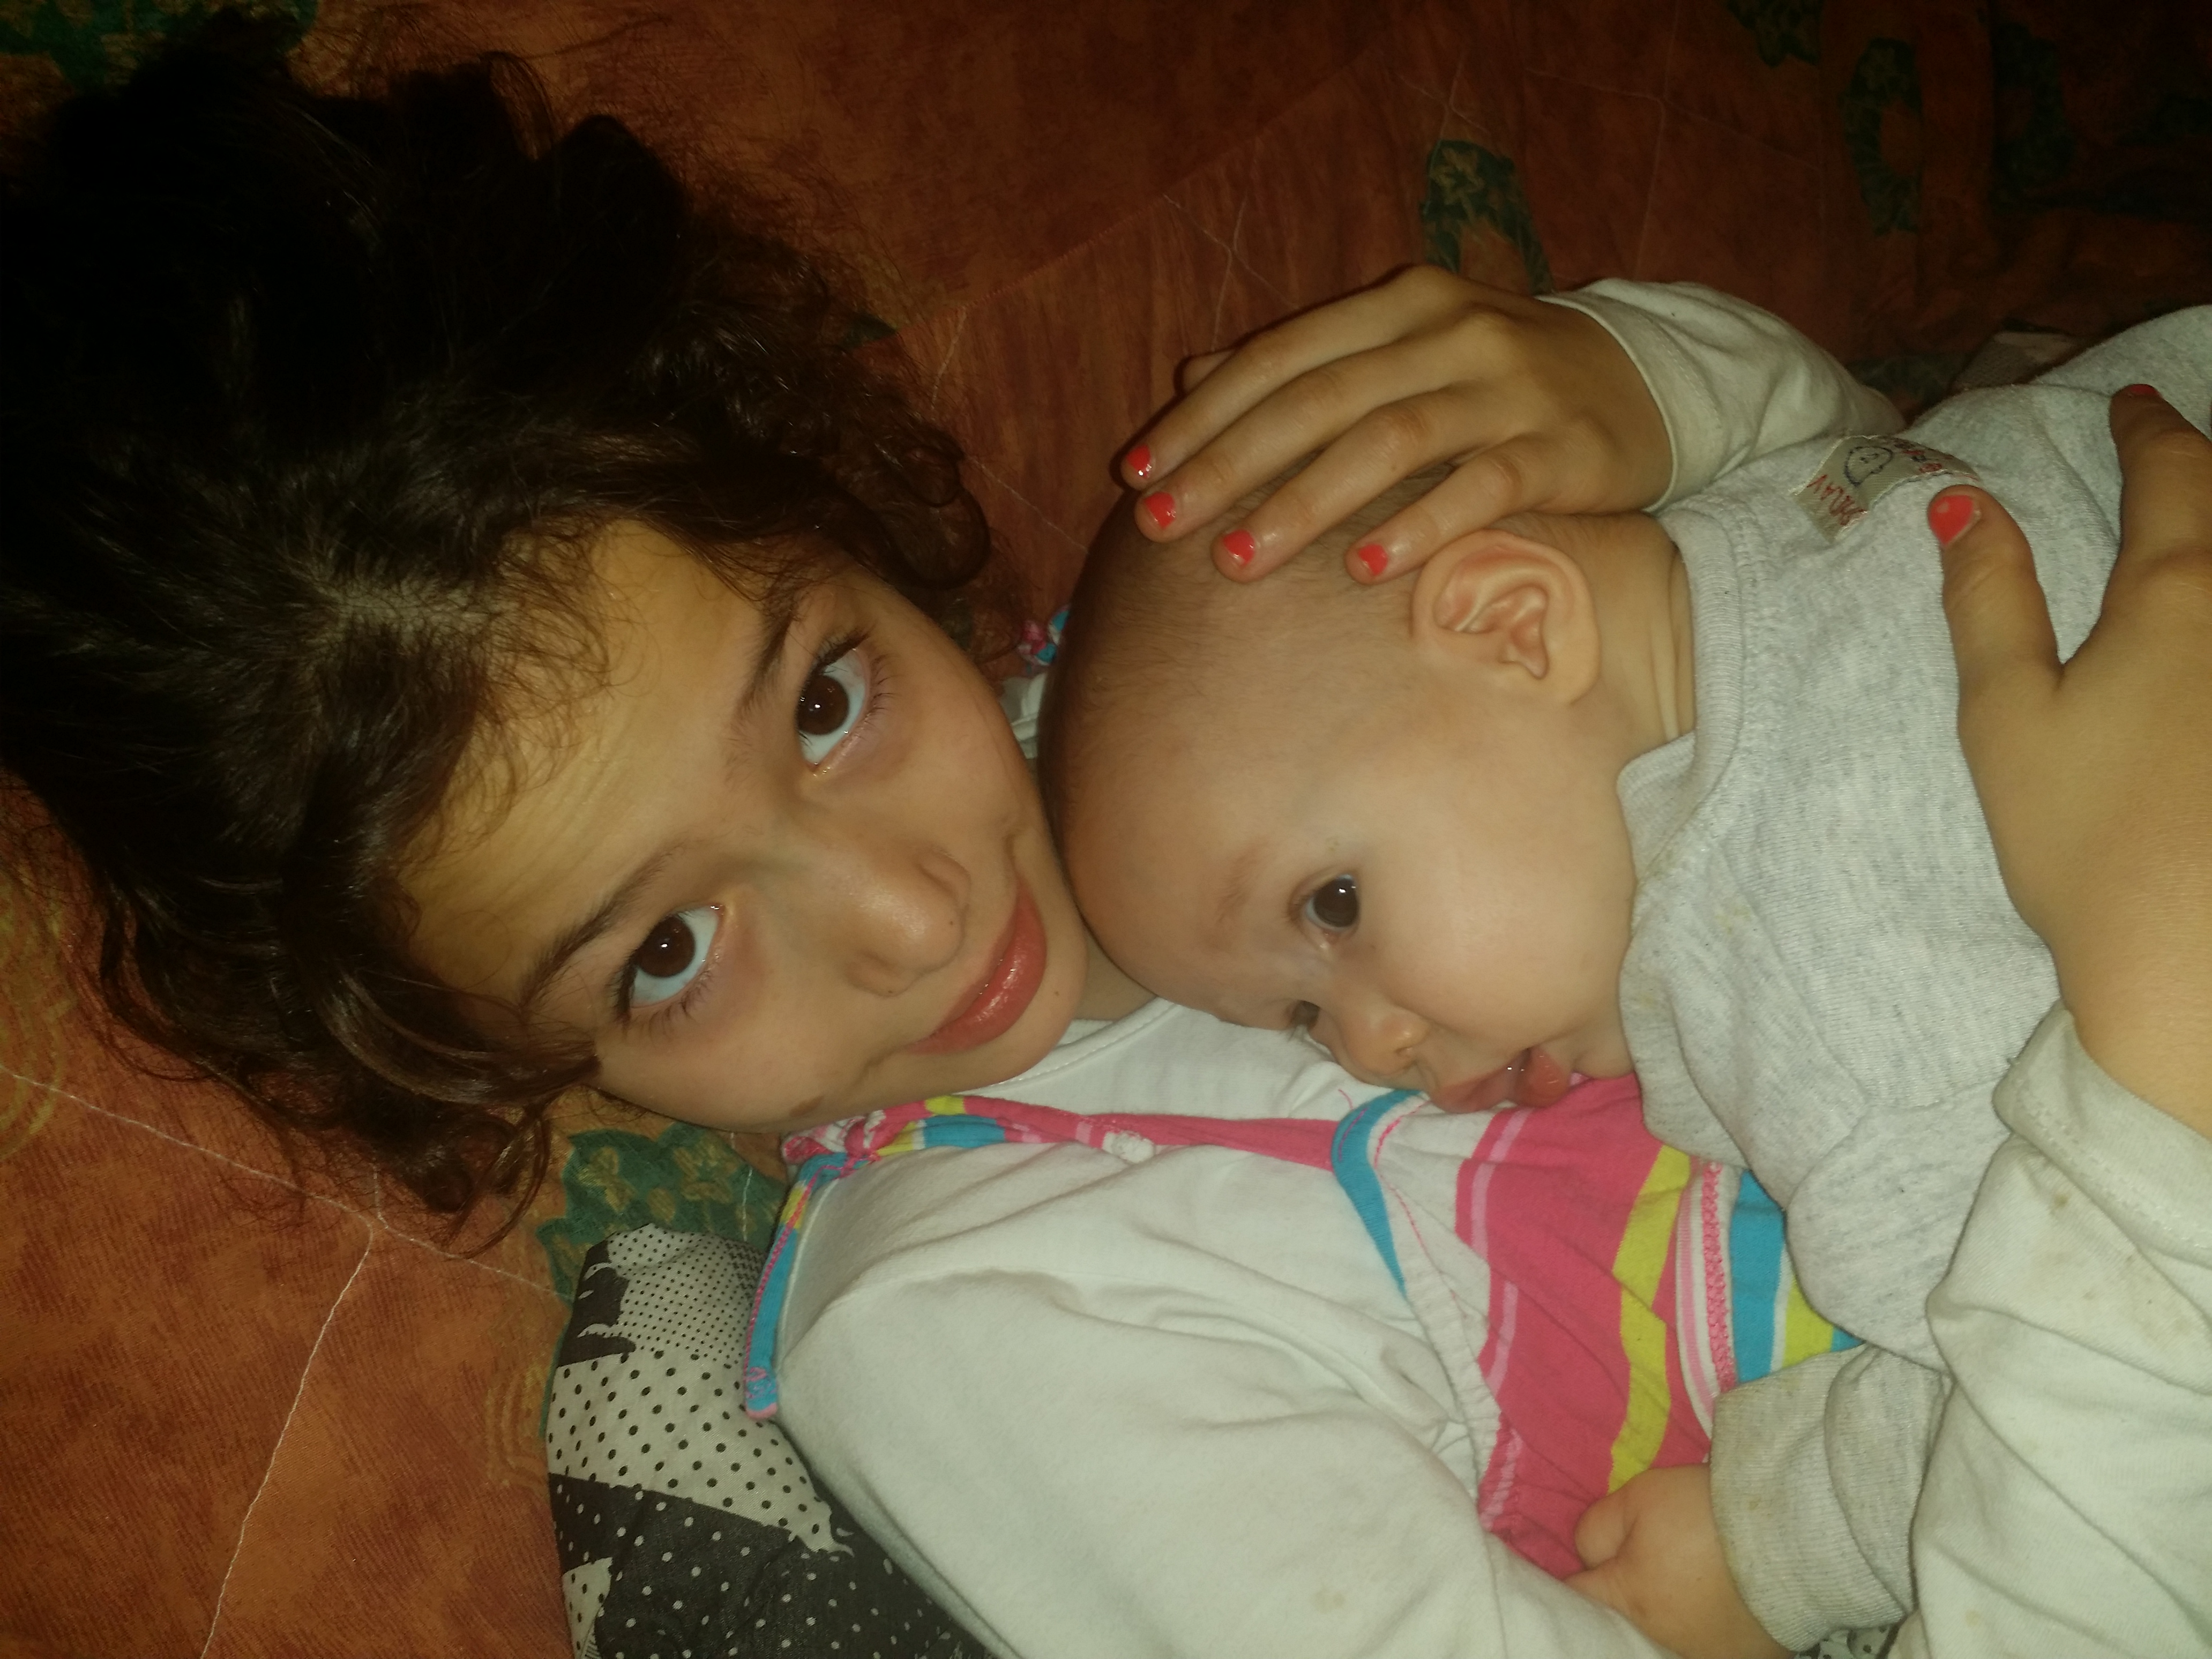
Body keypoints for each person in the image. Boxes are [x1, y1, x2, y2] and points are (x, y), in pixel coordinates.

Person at [0, 23, 1916, 1659]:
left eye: (826, 699)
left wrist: (1639, 388)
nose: (915, 915)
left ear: (823, 506)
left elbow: (1898, 537)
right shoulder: (978, 1318)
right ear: (467, 1055)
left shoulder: (1223, 619)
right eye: (665, 951)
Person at [1046, 308, 2211, 1654]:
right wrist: (1635, 363)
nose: (1368, 1051)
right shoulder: (1800, 502)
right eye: (1302, 1019)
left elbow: (2074, 1377)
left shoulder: (1810, 987)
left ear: (1513, 624)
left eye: (1336, 908)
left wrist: (1785, 1534)